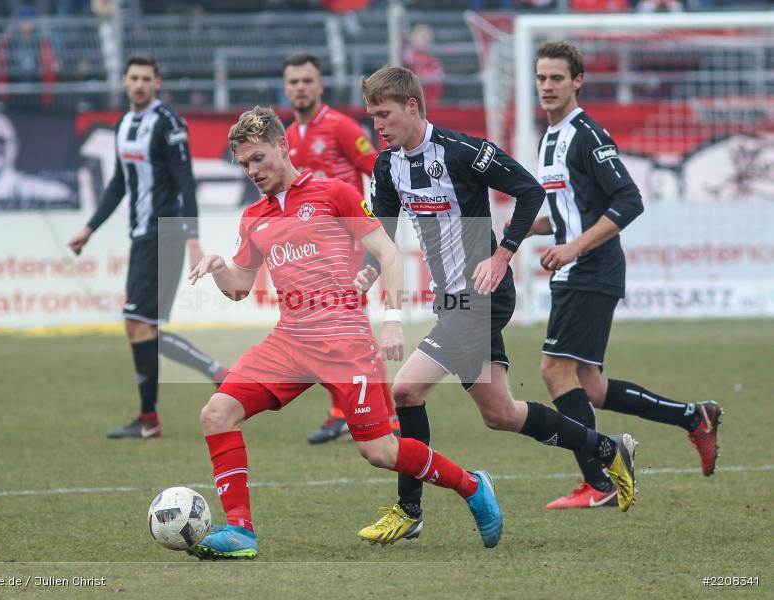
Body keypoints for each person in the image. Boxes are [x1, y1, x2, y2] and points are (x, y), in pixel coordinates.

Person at [185, 106, 503, 560]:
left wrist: (392, 321)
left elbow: (389, 255)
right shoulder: (254, 216)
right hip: (290, 340)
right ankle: (241, 531)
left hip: (345, 342)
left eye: (258, 158)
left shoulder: (334, 194)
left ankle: (472, 486)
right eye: (243, 164)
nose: (252, 171)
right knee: (216, 414)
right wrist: (220, 266)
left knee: (380, 451)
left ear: (282, 146)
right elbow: (238, 288)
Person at [354, 66, 639, 545]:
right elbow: (380, 230)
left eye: (384, 115)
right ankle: (607, 448)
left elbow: (529, 189)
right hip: (453, 301)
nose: (378, 126)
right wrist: (366, 270)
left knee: (405, 390)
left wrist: (504, 253)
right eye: (372, 117)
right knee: (501, 414)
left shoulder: (463, 151)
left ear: (412, 107)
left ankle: (409, 510)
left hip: (484, 295)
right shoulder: (388, 165)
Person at [529, 41, 721, 509]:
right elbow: (567, 213)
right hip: (576, 269)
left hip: (590, 268)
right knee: (590, 386)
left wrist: (573, 247)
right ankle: (693, 416)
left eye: (557, 78)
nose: (548, 86)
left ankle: (600, 482)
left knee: (554, 371)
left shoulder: (587, 134)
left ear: (578, 81)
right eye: (541, 78)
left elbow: (628, 200)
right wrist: (513, 234)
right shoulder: (549, 137)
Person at [68, 54, 227, 439]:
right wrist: (90, 228)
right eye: (133, 78)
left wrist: (192, 238)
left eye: (146, 78)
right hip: (141, 235)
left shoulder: (168, 123)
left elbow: (185, 182)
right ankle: (158, 412)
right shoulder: (124, 124)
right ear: (124, 81)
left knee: (140, 326)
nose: (139, 84)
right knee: (139, 327)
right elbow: (120, 184)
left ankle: (199, 384)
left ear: (157, 83)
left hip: (166, 233)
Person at [281, 51, 399, 444]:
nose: (300, 88)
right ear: (287, 87)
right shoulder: (288, 136)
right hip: (310, 253)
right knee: (327, 332)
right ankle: (343, 411)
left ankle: (387, 417)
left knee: (349, 330)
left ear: (320, 85)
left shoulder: (341, 127)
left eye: (306, 80)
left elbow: (380, 170)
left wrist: (374, 225)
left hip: (346, 243)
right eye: (293, 82)